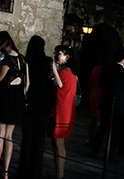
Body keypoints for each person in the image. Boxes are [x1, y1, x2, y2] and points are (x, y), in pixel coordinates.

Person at [0, 30, 28, 179]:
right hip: (18, 99)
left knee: (0, 134)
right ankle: (6, 171)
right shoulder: (22, 59)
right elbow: (27, 84)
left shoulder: (7, 61)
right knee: (9, 136)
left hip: (6, 98)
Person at [18, 35, 52, 179]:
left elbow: (27, 84)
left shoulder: (27, 62)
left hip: (31, 103)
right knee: (39, 142)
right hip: (43, 104)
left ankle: (23, 171)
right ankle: (35, 172)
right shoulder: (48, 62)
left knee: (27, 140)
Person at [89, 48, 124, 162]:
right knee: (115, 131)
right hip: (119, 105)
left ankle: (95, 150)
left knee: (103, 128)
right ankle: (110, 154)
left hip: (106, 101)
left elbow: (102, 84)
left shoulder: (107, 69)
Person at [50, 44, 78, 179]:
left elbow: (60, 86)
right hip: (66, 111)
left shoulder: (65, 72)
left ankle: (59, 174)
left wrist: (54, 69)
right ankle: (58, 173)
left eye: (59, 53)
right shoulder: (71, 73)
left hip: (61, 111)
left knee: (58, 143)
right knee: (58, 143)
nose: (57, 55)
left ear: (67, 56)